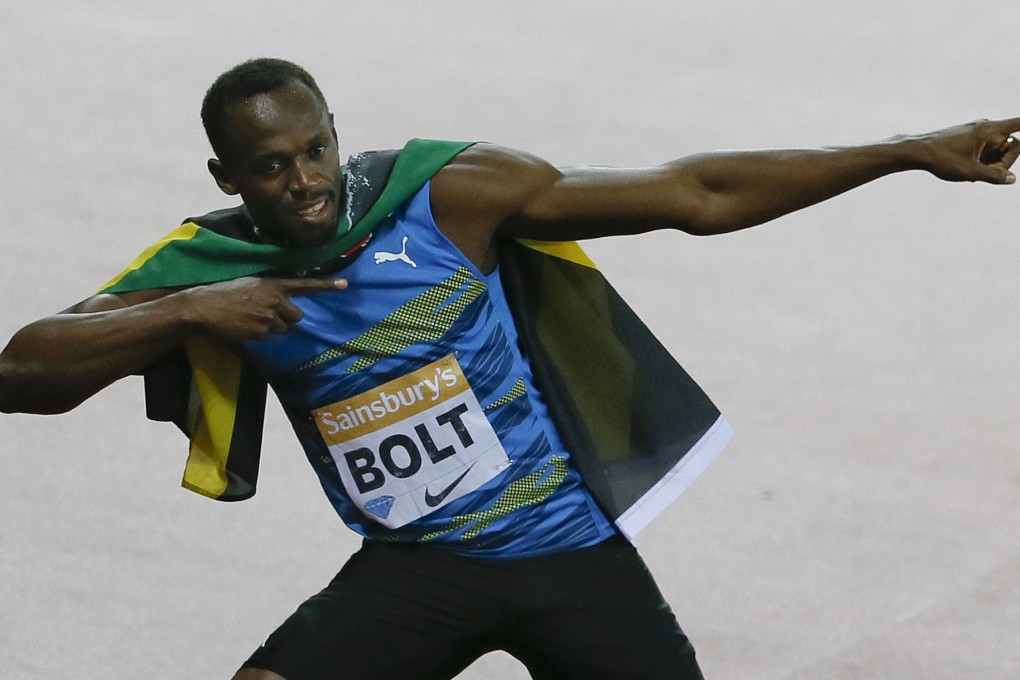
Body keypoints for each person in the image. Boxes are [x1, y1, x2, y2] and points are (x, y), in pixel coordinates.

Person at [0, 57, 1017, 680]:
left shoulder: (443, 198)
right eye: (271, 167)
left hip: (567, 550)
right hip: (418, 568)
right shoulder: (207, 266)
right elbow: (22, 372)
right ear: (227, 176)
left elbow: (694, 194)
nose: (303, 181)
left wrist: (903, 150)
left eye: (315, 150)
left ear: (336, 135)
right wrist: (189, 310)